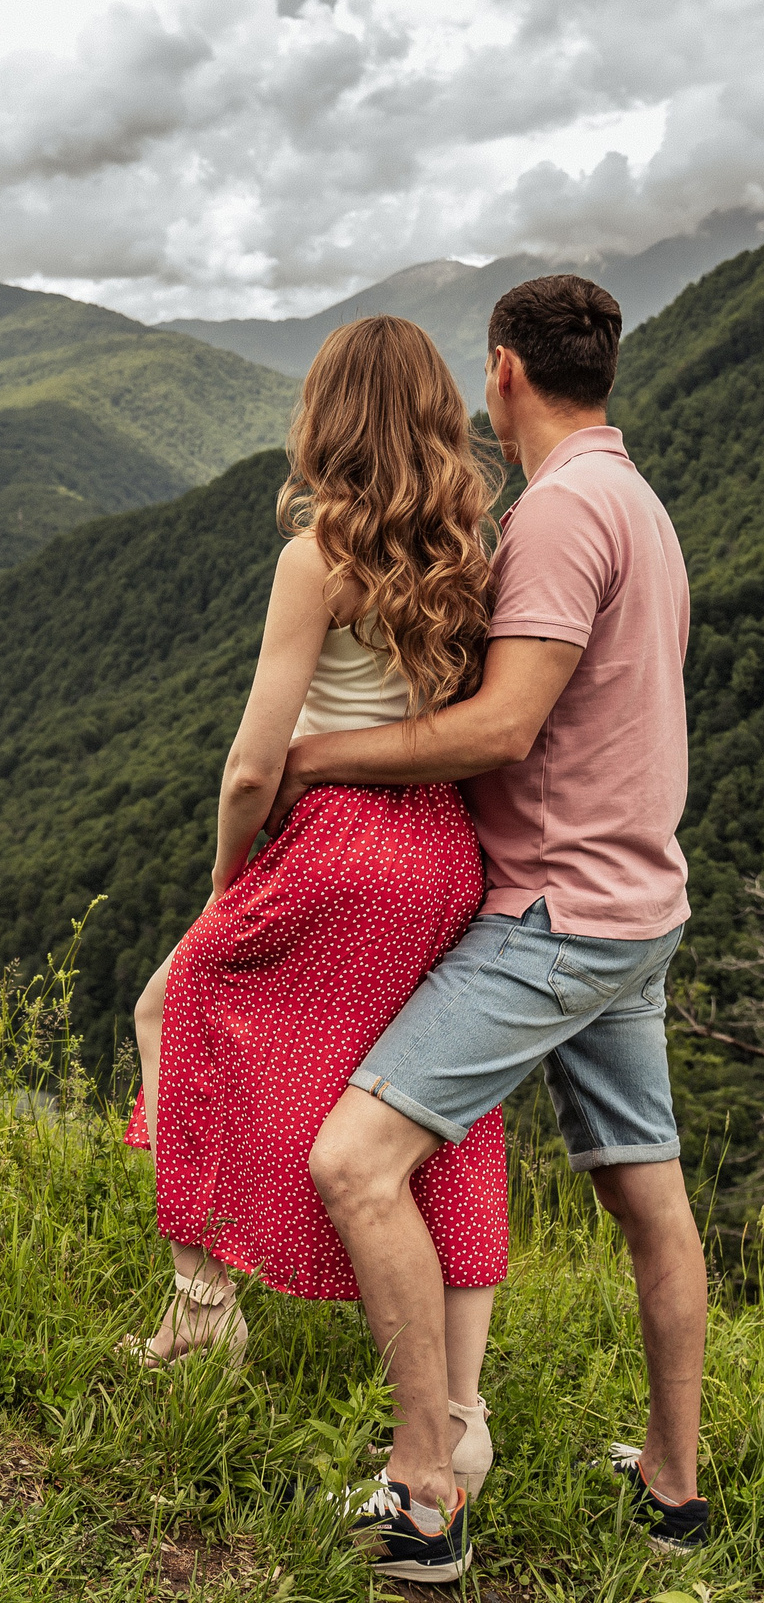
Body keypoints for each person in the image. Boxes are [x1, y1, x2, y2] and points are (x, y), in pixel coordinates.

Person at [271, 275, 709, 1564]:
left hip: (551, 914)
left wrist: (323, 756)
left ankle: (422, 1494)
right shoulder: (635, 498)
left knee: (353, 1161)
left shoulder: (564, 510)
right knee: (649, 1199)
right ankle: (673, 1492)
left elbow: (505, 722)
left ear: (501, 371)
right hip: (639, 902)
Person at [123, 316, 508, 1580]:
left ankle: (202, 1307)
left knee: (172, 1013)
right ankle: (462, 1411)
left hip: (334, 846)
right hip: (441, 850)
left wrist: (225, 889)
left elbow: (252, 759)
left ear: (325, 414)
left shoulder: (318, 549)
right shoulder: (469, 546)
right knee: (420, 1103)